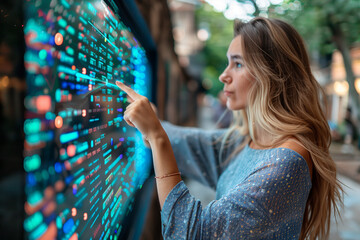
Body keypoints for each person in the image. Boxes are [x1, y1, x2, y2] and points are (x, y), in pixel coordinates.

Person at [115, 17, 343, 240]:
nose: (224, 76)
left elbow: (192, 233)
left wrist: (157, 136)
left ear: (272, 74)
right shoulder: (249, 140)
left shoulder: (286, 162)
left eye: (238, 64)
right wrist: (153, 125)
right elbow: (191, 144)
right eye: (229, 63)